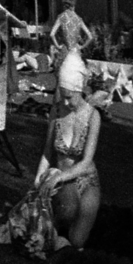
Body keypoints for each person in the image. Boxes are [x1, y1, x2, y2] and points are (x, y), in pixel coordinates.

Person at [34, 52, 104, 249]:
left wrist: (58, 178)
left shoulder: (93, 116)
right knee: (67, 213)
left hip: (87, 179)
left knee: (77, 240)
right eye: (62, 95)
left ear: (79, 90)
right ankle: (60, 222)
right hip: (64, 179)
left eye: (69, 97)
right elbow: (48, 152)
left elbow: (86, 160)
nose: (65, 102)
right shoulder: (56, 111)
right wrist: (38, 179)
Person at [49, 0, 95, 64]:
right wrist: (81, 47)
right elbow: (90, 37)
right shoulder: (79, 19)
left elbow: (52, 34)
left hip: (65, 51)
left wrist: (57, 46)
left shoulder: (61, 17)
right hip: (76, 51)